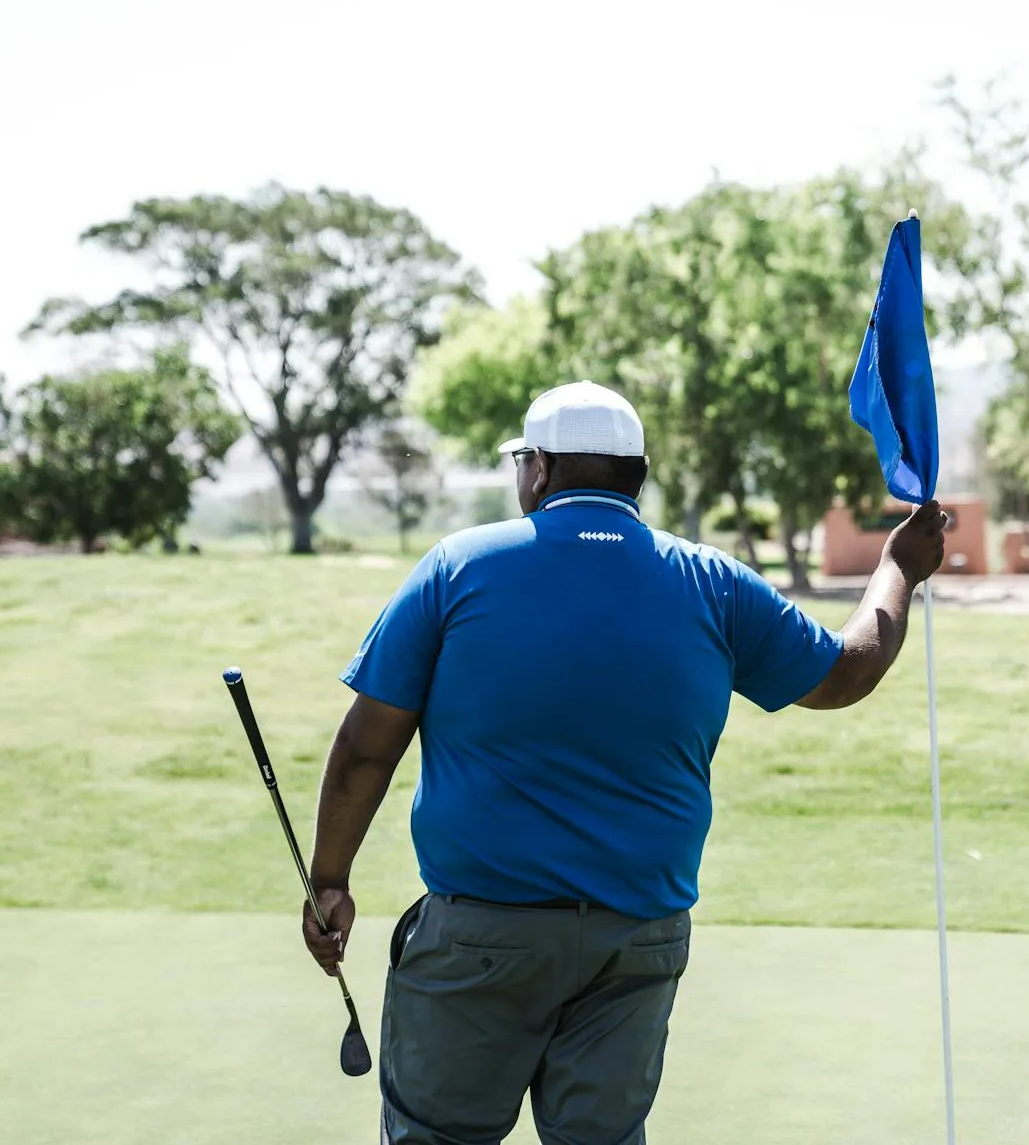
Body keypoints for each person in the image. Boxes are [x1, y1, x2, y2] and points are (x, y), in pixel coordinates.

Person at [300, 379, 948, 1144]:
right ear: (636, 476)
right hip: (638, 942)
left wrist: (331, 878)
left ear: (538, 471)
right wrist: (899, 567)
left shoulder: (458, 566)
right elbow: (846, 674)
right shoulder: (713, 582)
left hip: (479, 936)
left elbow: (366, 747)